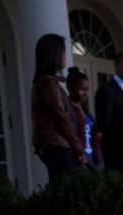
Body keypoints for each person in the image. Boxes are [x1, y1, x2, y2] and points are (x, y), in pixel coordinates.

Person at [29, 34, 84, 181]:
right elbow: (63, 120)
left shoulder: (41, 83)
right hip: (58, 146)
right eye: (63, 52)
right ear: (53, 55)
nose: (65, 57)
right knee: (68, 188)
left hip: (53, 146)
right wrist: (79, 148)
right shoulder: (49, 84)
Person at [66, 67, 102, 171]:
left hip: (92, 160)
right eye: (82, 89)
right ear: (70, 87)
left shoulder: (86, 110)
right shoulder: (67, 108)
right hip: (79, 161)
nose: (86, 93)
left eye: (87, 90)